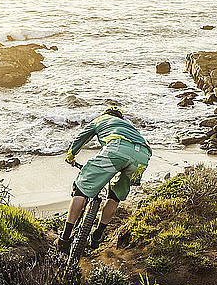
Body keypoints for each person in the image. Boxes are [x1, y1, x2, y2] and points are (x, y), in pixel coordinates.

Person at [56, 106, 152, 254]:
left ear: (106, 114)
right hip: (143, 157)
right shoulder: (128, 125)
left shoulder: (101, 119)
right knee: (114, 196)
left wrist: (71, 156)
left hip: (117, 149)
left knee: (80, 188)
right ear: (121, 117)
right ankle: (98, 235)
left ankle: (64, 238)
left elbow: (81, 138)